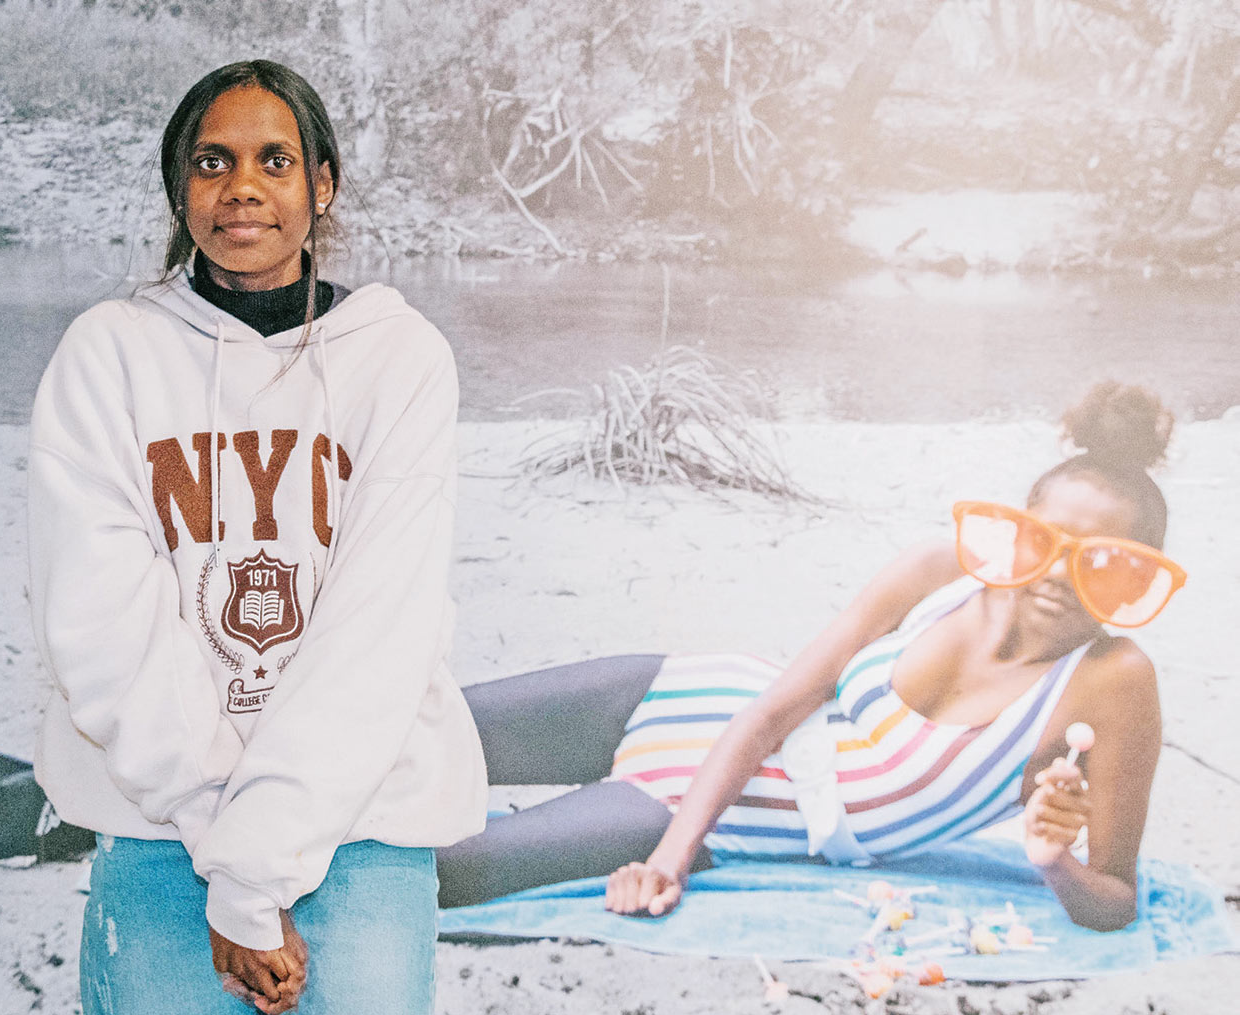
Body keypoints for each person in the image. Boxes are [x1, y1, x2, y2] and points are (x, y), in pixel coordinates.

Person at [27, 60, 487, 1015]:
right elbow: (101, 624)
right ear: (179, 189)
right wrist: (230, 866)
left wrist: (261, 866)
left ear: (321, 184)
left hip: (362, 833)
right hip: (160, 836)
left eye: (274, 160)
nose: (242, 186)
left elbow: (379, 631)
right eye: (212, 161)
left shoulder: (400, 359)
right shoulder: (107, 356)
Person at [438, 383, 1184, 934]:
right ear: (1019, 531)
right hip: (685, 698)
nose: (1060, 575)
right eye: (1046, 543)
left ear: (1140, 577)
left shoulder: (1111, 681)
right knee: (405, 729)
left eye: (1102, 561)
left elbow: (1116, 900)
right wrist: (668, 859)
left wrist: (1053, 862)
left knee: (430, 870)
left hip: (715, 814)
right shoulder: (941, 571)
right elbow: (773, 710)